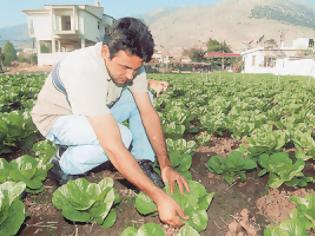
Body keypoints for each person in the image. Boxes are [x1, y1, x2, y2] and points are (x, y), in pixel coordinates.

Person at [31, 17, 189, 227]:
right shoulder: (83, 69)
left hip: (97, 107)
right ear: (105, 51)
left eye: (136, 69)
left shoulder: (132, 66)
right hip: (59, 118)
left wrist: (166, 165)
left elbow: (148, 113)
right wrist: (158, 197)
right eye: (125, 67)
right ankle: (62, 162)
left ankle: (142, 162)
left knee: (145, 99)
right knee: (121, 138)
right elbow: (112, 145)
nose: (131, 75)